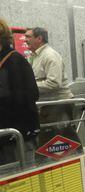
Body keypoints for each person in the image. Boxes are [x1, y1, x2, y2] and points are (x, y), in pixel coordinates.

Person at [25, 27, 81, 152]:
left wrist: (30, 87)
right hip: (47, 105)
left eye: (29, 36)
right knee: (55, 138)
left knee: (64, 137)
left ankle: (83, 161)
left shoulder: (50, 55)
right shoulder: (33, 57)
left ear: (39, 38)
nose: (25, 39)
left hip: (58, 104)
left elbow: (54, 83)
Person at [0, 18, 39, 167]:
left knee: (21, 178)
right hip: (6, 134)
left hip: (16, 134)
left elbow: (30, 95)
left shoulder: (15, 60)